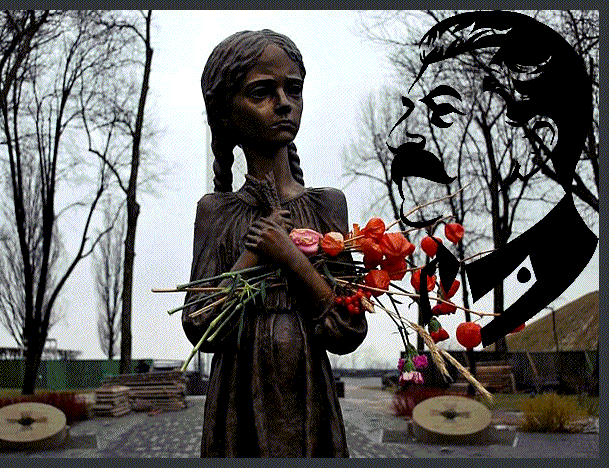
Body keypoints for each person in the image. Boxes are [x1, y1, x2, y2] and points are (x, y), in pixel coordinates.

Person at [182, 29, 367, 458]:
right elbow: (199, 325)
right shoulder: (216, 212)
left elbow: (348, 329)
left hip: (309, 391)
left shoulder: (327, 206)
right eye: (262, 92)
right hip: (238, 397)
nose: (284, 103)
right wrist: (252, 254)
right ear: (226, 113)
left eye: (293, 89)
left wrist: (292, 259)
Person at [388, 11, 597, 346]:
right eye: (408, 110)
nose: (399, 136)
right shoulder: (447, 274)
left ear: (535, 143)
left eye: (441, 112)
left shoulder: (574, 285)